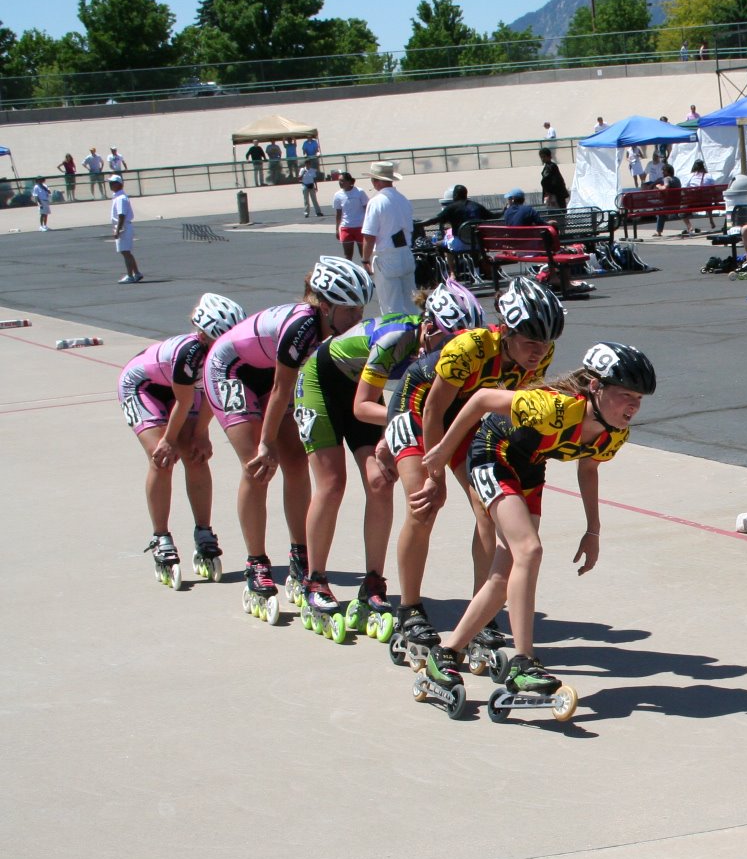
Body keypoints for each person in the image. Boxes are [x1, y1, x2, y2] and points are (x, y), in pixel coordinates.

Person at [413, 341, 655, 697]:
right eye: (625, 395)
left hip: (528, 469)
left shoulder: (614, 433)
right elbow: (480, 399)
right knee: (529, 550)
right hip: (492, 454)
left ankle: (445, 653)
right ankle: (524, 661)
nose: (633, 406)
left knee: (504, 573)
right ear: (595, 387)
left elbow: (589, 469)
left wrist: (593, 530)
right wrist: (445, 450)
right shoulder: (552, 407)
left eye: (639, 398)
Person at [383, 277, 562, 666]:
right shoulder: (471, 347)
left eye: (546, 344)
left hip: (466, 418)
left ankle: (479, 619)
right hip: (418, 409)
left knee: (486, 510)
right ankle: (409, 610)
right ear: (507, 331)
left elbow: (512, 411)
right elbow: (433, 411)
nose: (539, 353)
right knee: (424, 505)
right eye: (531, 342)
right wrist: (435, 477)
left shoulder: (540, 356)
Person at [294, 281, 487, 634]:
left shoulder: (445, 350)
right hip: (323, 384)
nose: (458, 353)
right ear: (429, 329)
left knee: (381, 481)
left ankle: (372, 584)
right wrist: (413, 417)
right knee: (332, 483)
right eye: (450, 343)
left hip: (370, 390)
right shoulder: (395, 339)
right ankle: (315, 579)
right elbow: (363, 406)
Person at [205, 257, 372, 617]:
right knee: (259, 467)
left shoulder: (332, 327)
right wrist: (265, 443)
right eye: (351, 309)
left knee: (295, 462)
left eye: (362, 309)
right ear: (325, 306)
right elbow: (281, 391)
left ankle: (299, 556)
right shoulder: (302, 326)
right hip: (232, 371)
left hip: (269, 373)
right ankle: (257, 564)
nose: (357, 317)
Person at [119, 293, 246, 585]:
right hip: (143, 388)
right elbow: (184, 401)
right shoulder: (189, 352)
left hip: (186, 394)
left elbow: (215, 397)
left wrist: (201, 434)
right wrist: (167, 439)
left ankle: (203, 531)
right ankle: (161, 536)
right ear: (203, 335)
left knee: (195, 454)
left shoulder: (228, 354)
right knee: (163, 458)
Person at [361, 161, 417, 317]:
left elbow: (369, 235)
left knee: (391, 307)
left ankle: (397, 338)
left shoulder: (376, 202)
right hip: (405, 252)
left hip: (387, 256)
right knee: (411, 303)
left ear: (375, 181)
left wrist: (365, 259)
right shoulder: (403, 199)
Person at [110, 175, 143, 285]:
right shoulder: (119, 197)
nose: (111, 185)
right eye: (110, 183)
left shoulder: (121, 198)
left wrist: (118, 230)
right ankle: (136, 273)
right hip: (123, 226)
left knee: (125, 252)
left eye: (113, 183)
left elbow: (121, 215)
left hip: (124, 226)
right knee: (126, 252)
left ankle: (130, 275)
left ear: (119, 184)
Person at [331, 172, 367, 260]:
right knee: (348, 256)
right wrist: (337, 229)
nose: (340, 183)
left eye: (342, 181)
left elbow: (367, 209)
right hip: (346, 228)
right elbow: (338, 213)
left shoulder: (359, 192)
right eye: (339, 181)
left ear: (349, 181)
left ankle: (367, 272)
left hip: (360, 227)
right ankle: (349, 273)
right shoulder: (337, 195)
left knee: (364, 255)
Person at [653, 163, 691, 237]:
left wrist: (659, 186)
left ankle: (659, 231)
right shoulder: (677, 179)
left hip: (669, 205)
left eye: (664, 171)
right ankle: (689, 227)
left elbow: (665, 187)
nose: (662, 172)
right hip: (678, 203)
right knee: (662, 209)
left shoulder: (667, 179)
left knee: (660, 210)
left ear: (668, 172)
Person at [539, 147, 570, 212]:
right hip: (553, 195)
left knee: (556, 214)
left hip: (555, 195)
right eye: (541, 157)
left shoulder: (551, 167)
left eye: (544, 157)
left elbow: (554, 182)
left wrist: (549, 192)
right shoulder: (549, 166)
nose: (542, 159)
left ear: (549, 156)